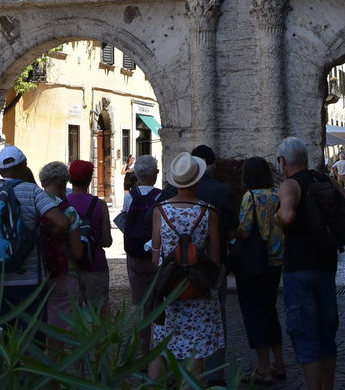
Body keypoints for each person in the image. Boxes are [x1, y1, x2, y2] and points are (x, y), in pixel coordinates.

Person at [159, 143, 236, 386]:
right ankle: (209, 379)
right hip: (200, 283)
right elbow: (215, 256)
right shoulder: (209, 209)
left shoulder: (160, 209)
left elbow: (155, 254)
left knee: (171, 333)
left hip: (170, 285)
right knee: (201, 338)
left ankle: (173, 379)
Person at [274, 136, 342, 390]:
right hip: (326, 265)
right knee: (326, 336)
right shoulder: (325, 180)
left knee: (306, 337)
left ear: (283, 161)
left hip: (299, 268)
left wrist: (276, 218)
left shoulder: (290, 184)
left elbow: (286, 215)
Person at [0, 145, 70, 317]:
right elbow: (63, 223)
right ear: (25, 165)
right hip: (30, 278)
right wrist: (41, 229)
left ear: (0, 171)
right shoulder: (33, 191)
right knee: (32, 330)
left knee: (1, 330)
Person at [233, 155, 287, 386]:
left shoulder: (251, 197)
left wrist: (231, 232)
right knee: (270, 311)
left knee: (255, 313)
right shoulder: (277, 194)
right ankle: (279, 363)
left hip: (254, 263)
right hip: (275, 262)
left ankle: (264, 369)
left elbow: (245, 230)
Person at [38, 161, 85, 334]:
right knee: (60, 329)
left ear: (43, 181)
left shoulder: (32, 204)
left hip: (33, 273)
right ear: (65, 182)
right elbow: (77, 253)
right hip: (63, 273)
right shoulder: (68, 211)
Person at [65, 158, 112, 311]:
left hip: (69, 267)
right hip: (95, 264)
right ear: (90, 179)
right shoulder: (100, 205)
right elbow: (107, 241)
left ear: (70, 179)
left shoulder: (62, 203)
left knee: (71, 316)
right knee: (99, 314)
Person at [121, 154, 161, 308]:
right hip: (155, 249)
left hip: (134, 250)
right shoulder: (160, 196)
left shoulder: (130, 196)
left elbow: (125, 219)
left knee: (139, 296)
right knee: (157, 294)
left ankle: (143, 321)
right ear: (155, 173)